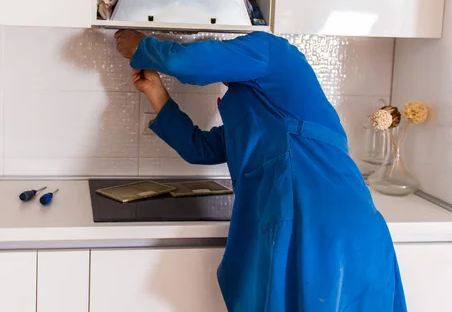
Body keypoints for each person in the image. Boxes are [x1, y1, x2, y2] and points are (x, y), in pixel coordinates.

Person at [114, 29, 406, 312]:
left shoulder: (273, 52)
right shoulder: (257, 110)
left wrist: (142, 47)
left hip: (327, 225)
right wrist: (154, 89)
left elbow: (188, 62)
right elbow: (199, 149)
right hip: (310, 227)